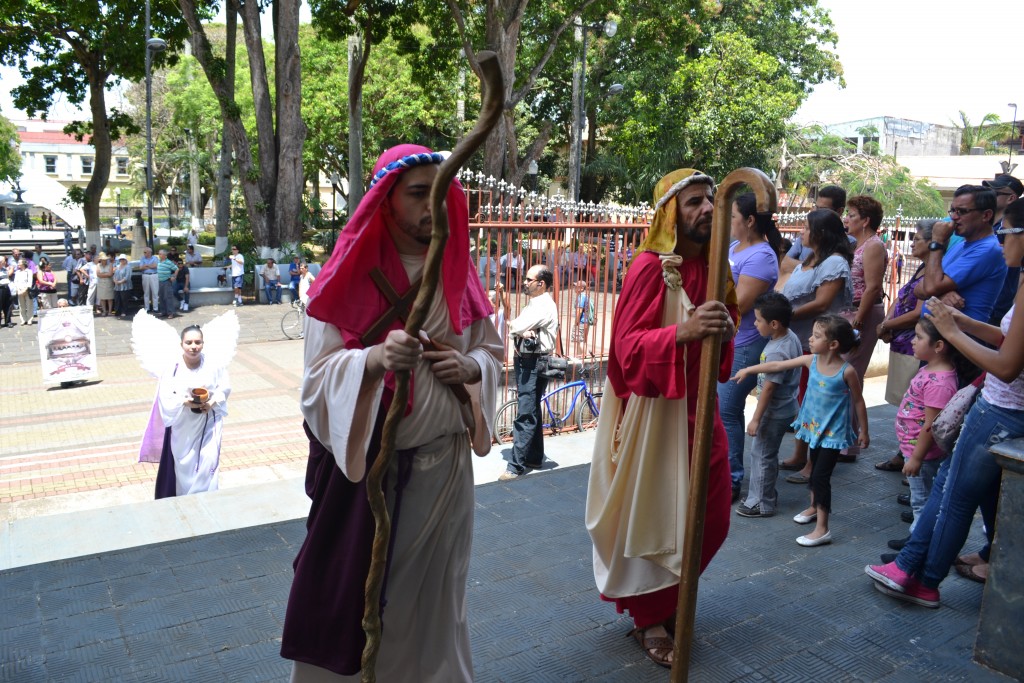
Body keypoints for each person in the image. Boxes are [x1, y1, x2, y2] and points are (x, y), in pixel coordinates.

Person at [279, 144, 502, 682]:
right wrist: (373, 361)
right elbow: (315, 384)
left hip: (447, 473)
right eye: (418, 193)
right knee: (366, 605)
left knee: (439, 604)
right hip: (374, 484)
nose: (433, 206)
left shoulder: (457, 269)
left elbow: (490, 351)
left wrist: (470, 369)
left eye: (441, 192)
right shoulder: (345, 276)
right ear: (387, 200)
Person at [585, 168, 737, 668]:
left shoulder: (718, 267)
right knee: (654, 516)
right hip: (655, 413)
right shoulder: (650, 267)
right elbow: (623, 351)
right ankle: (651, 616)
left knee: (712, 517)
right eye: (694, 202)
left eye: (710, 201)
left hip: (700, 411)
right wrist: (684, 332)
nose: (707, 210)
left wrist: (720, 327)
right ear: (672, 212)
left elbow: (721, 352)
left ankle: (671, 597)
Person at [866, 197, 1024, 606]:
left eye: (1006, 232)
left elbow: (1007, 365)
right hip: (1001, 405)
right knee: (963, 493)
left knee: (952, 496)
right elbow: (1007, 338)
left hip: (1004, 407)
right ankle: (915, 570)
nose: (1002, 241)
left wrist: (952, 335)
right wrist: (962, 323)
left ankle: (922, 577)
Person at [738, 314, 869, 546]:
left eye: (816, 336)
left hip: (832, 434)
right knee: (814, 469)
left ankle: (823, 529)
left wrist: (864, 431)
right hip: (813, 431)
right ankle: (813, 508)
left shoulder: (846, 372)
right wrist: (749, 369)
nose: (809, 339)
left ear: (833, 345)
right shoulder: (811, 361)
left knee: (820, 477)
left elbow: (859, 401)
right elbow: (778, 365)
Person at [717, 192, 782, 501]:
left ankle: (731, 480)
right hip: (725, 339)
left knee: (728, 410)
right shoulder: (734, 246)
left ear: (750, 220)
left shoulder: (761, 256)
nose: (729, 223)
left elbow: (739, 304)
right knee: (719, 409)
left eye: (733, 217)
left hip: (743, 343)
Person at [135, 317, 237, 498]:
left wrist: (211, 403)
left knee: (209, 461)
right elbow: (165, 395)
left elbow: (225, 387)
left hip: (209, 422)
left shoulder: (214, 364)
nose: (193, 346)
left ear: (203, 344)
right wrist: (186, 402)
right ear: (181, 344)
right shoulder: (173, 368)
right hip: (183, 426)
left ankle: (208, 497)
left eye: (197, 342)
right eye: (188, 342)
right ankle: (187, 498)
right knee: (184, 465)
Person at [884, 317, 959, 553]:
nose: (912, 341)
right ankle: (917, 537)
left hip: (922, 454)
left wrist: (916, 457)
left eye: (918, 337)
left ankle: (917, 545)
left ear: (938, 346)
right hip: (914, 449)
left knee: (922, 501)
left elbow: (931, 424)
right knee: (921, 498)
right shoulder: (930, 370)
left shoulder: (939, 382)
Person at [732, 292, 802, 518]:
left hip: (773, 412)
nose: (754, 323)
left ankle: (761, 503)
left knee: (761, 455)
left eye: (758, 320)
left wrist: (755, 418)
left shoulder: (776, 350)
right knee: (767, 454)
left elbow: (770, 388)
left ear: (773, 324)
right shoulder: (789, 337)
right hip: (786, 407)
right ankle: (765, 494)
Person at [875, 220, 935, 471]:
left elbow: (918, 313)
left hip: (914, 344)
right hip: (902, 341)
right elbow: (900, 298)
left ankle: (912, 457)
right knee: (905, 404)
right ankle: (904, 453)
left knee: (913, 406)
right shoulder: (922, 267)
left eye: (917, 238)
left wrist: (888, 326)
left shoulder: (932, 271)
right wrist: (887, 323)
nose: (912, 242)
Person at [499, 264, 559, 480]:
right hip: (530, 361)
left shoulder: (542, 305)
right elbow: (518, 327)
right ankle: (534, 457)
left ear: (541, 284)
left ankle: (515, 466)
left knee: (525, 411)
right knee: (532, 407)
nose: (524, 282)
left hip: (532, 362)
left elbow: (515, 325)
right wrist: (520, 329)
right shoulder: (536, 303)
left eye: (528, 279)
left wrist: (519, 328)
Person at [840, 195, 888, 462]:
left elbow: (872, 287)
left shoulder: (873, 246)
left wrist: (858, 321)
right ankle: (843, 440)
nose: (847, 219)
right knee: (844, 376)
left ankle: (848, 445)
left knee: (850, 375)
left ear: (865, 220)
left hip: (863, 313)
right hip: (851, 312)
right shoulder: (855, 244)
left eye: (852, 215)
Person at [914, 184, 1006, 324]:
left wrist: (937, 241)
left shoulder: (987, 249)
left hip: (961, 338)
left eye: (962, 211)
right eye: (953, 211)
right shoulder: (960, 245)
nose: (954, 217)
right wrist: (941, 293)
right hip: (937, 336)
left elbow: (929, 288)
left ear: (986, 215)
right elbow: (919, 289)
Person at [982, 174, 1024, 325]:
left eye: (995, 192)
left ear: (1011, 198)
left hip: (999, 305)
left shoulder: (1010, 229)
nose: (989, 194)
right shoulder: (985, 224)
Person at [780, 185, 846, 277]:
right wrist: (818, 268)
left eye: (822, 209)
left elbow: (830, 271)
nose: (815, 212)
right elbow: (785, 264)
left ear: (839, 211)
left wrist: (801, 265)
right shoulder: (805, 236)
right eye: (816, 207)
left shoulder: (847, 242)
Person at [571, 279, 595, 352]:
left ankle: (586, 357)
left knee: (579, 341)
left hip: (581, 322)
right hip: (586, 321)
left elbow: (579, 310)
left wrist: (576, 323)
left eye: (576, 286)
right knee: (582, 341)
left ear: (581, 288)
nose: (574, 288)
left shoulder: (581, 297)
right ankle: (581, 358)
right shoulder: (586, 296)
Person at [156, 250, 179, 319]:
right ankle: (163, 312)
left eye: (160, 254)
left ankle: (171, 313)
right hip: (160, 281)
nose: (159, 255)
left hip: (167, 281)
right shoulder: (159, 262)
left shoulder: (168, 262)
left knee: (168, 297)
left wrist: (174, 276)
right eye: (159, 254)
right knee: (161, 297)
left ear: (164, 255)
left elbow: (176, 269)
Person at [13, 259, 34, 325]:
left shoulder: (29, 271)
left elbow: (29, 281)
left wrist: (25, 289)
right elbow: (15, 281)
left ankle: (29, 319)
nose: (18, 264)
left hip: (27, 290)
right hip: (19, 290)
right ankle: (23, 319)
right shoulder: (17, 272)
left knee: (29, 305)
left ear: (23, 263)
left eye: (19, 262)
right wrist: (18, 289)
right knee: (21, 306)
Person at [139, 247, 159, 313]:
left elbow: (155, 266)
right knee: (146, 293)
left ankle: (155, 308)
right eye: (144, 252)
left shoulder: (155, 258)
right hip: (145, 275)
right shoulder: (142, 258)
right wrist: (150, 265)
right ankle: (147, 308)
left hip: (154, 275)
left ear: (149, 252)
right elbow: (141, 267)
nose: (144, 253)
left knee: (155, 292)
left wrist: (146, 265)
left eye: (145, 252)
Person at [0, 257, 12, 328]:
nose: (5, 263)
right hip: (0, 288)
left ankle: (8, 322)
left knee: (8, 305)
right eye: (4, 262)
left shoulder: (4, 269)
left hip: (6, 288)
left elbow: (7, 276)